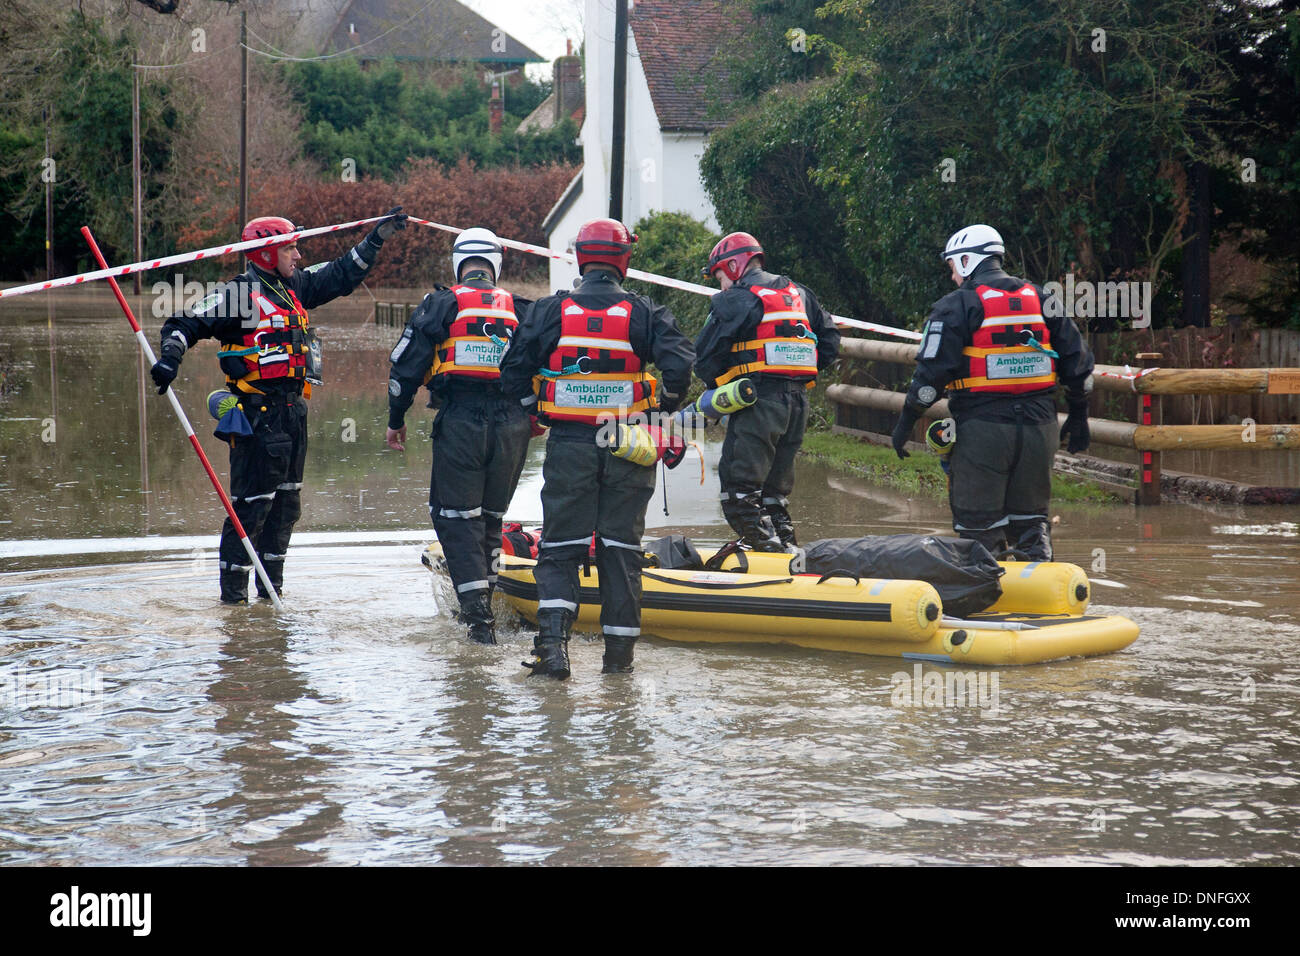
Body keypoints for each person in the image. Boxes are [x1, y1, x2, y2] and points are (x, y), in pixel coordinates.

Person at [151, 208, 407, 604]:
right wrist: (170, 358)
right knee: (251, 511)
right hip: (256, 416)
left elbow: (341, 273)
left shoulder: (294, 287)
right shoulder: (241, 295)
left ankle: (272, 598)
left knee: (286, 509)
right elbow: (184, 323)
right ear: (267, 253)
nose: (299, 256)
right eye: (291, 248)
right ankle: (234, 607)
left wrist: (377, 239)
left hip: (294, 416)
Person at [498, 218, 694, 679]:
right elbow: (681, 367)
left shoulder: (549, 311)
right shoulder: (646, 312)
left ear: (581, 259)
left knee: (561, 546)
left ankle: (552, 652)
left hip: (570, 445)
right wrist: (661, 412)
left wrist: (534, 409)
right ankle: (619, 666)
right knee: (621, 551)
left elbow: (512, 371)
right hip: (629, 447)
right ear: (623, 259)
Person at [890, 223, 1094, 561]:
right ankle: (1039, 587)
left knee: (979, 530)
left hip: (983, 431)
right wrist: (1080, 416)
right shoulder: (1043, 298)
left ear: (967, 260)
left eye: (953, 266)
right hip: (1039, 430)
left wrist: (905, 421)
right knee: (1032, 525)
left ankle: (982, 600)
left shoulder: (956, 305)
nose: (953, 276)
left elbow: (930, 379)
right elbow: (1080, 367)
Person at [385, 227, 535, 644]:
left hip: (461, 420)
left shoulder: (441, 304)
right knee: (490, 520)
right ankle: (487, 604)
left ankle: (479, 623)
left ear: (458, 263)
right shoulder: (523, 308)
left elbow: (404, 371)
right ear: (496, 263)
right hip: (512, 426)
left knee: (455, 519)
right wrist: (535, 416)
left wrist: (395, 420)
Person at [694, 232, 840, 551]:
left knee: (739, 493)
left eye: (719, 276)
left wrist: (725, 384)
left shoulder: (737, 298)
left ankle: (768, 556)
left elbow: (704, 359)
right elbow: (830, 343)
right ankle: (790, 554)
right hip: (798, 406)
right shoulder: (800, 292)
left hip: (757, 402)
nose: (720, 285)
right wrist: (794, 371)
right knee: (774, 496)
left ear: (733, 266)